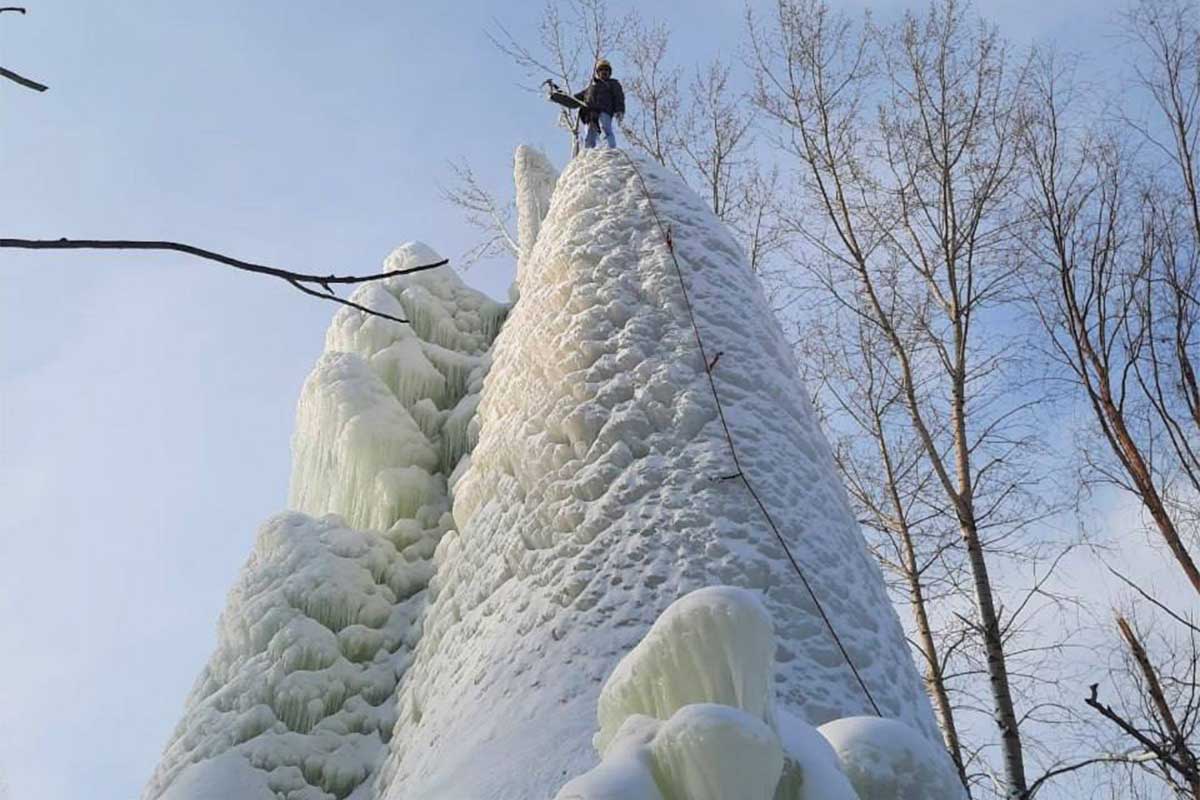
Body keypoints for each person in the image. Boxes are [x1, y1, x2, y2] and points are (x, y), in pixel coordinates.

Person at [575, 58, 625, 149]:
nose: (604, 72)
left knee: (606, 129)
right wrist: (563, 96)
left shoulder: (613, 84)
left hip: (604, 110)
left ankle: (610, 149)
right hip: (590, 113)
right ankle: (588, 151)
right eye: (601, 70)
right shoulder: (591, 88)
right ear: (598, 73)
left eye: (606, 70)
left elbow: (619, 97)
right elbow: (577, 97)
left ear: (609, 73)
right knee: (590, 132)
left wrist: (620, 110)